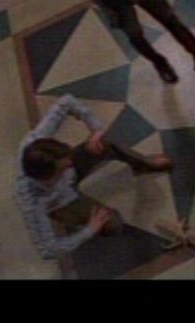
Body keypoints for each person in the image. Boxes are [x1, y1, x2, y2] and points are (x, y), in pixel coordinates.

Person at [14, 93, 172, 260]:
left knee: (100, 144)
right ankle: (72, 218)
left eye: (67, 160)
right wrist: (89, 230)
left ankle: (142, 164)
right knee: (114, 225)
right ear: (46, 178)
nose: (70, 164)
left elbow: (66, 101)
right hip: (60, 202)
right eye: (63, 168)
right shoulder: (31, 203)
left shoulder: (36, 142)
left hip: (61, 181)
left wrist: (95, 129)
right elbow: (48, 250)